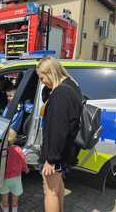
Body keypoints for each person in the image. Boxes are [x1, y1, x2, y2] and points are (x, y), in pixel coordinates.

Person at [36, 56, 82, 212]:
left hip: (56, 153)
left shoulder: (60, 95)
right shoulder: (71, 84)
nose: (42, 82)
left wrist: (51, 160)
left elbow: (59, 130)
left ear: (51, 72)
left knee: (50, 192)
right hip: (67, 149)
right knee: (58, 187)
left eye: (42, 78)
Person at [0, 85, 28, 212]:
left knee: (4, 196)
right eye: (8, 96)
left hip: (4, 178)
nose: (9, 98)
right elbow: (22, 161)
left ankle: (5, 208)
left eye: (11, 96)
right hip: (16, 178)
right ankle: (14, 209)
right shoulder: (18, 150)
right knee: (15, 195)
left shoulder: (2, 152)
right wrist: (25, 169)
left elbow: (5, 117)